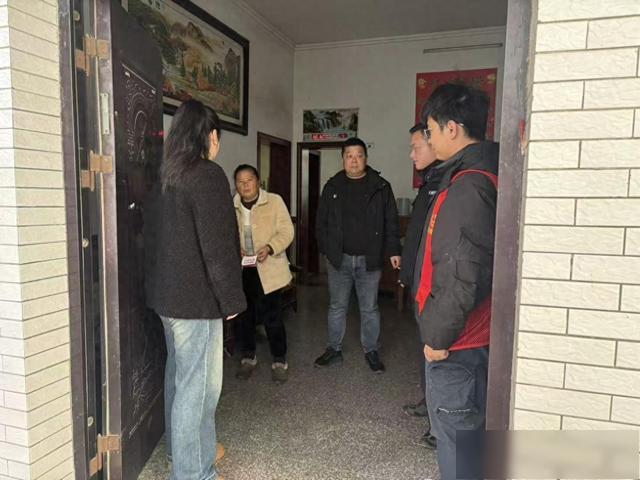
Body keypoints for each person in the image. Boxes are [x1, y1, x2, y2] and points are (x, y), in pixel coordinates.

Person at [145, 100, 245, 480]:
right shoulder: (207, 175)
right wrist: (231, 299)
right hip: (196, 302)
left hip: (167, 300)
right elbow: (217, 247)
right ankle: (195, 474)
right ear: (211, 136)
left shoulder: (166, 175)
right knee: (199, 391)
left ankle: (182, 456)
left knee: (180, 379)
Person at [416, 83, 498, 480]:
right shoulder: (474, 177)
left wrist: (438, 338)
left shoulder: (469, 187)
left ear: (452, 128)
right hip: (468, 339)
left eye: (430, 130)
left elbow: (459, 273)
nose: (428, 139)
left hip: (459, 345)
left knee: (456, 443)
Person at [314, 137, 401, 373]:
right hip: (338, 259)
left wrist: (394, 250)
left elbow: (391, 221)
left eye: (359, 155)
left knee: (369, 307)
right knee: (337, 306)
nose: (354, 160)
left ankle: (371, 350)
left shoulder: (380, 186)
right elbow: (321, 221)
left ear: (366, 158)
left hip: (369, 259)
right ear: (343, 159)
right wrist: (326, 249)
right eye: (349, 156)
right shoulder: (332, 186)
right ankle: (334, 349)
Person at [399, 122, 443, 450]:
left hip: (433, 287)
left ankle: (439, 425)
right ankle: (429, 404)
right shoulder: (430, 181)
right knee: (424, 350)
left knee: (437, 353)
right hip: (419, 282)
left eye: (416, 147)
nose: (412, 154)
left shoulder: (447, 183)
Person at [232, 164, 295, 383]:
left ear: (258, 181)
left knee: (273, 317)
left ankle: (279, 360)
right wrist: (235, 249)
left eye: (249, 180)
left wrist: (270, 247)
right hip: (243, 270)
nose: (245, 185)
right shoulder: (232, 206)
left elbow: (287, 231)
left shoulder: (274, 201)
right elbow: (226, 235)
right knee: (245, 317)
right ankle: (248, 357)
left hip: (269, 268)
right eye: (240, 182)